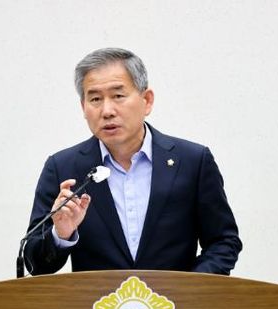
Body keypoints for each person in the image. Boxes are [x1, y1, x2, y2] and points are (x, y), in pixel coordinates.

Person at [23, 48, 241, 275]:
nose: (107, 111)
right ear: (83, 107)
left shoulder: (193, 161)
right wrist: (61, 234)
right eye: (95, 99)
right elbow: (36, 264)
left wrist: (191, 288)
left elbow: (223, 241)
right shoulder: (63, 168)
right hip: (97, 299)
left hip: (175, 298)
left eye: (118, 96)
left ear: (147, 101)